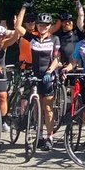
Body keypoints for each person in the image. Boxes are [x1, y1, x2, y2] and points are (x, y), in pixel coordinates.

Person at [16, 10, 62, 150]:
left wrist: (49, 71)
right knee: (37, 107)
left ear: (49, 26)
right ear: (37, 25)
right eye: (40, 25)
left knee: (48, 108)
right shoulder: (32, 38)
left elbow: (57, 59)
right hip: (35, 75)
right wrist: (24, 8)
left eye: (46, 25)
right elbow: (18, 26)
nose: (43, 27)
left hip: (48, 76)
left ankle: (49, 137)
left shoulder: (54, 39)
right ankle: (40, 135)